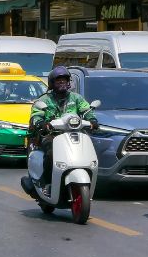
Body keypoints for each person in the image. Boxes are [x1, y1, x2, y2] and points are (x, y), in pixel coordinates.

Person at [28, 66, 98, 194]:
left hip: (75, 134)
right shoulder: (44, 100)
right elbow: (36, 116)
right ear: (52, 84)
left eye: (65, 80)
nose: (62, 83)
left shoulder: (76, 98)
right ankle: (47, 182)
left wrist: (92, 120)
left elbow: (86, 110)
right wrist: (42, 123)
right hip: (52, 135)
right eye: (58, 81)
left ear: (69, 82)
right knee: (51, 154)